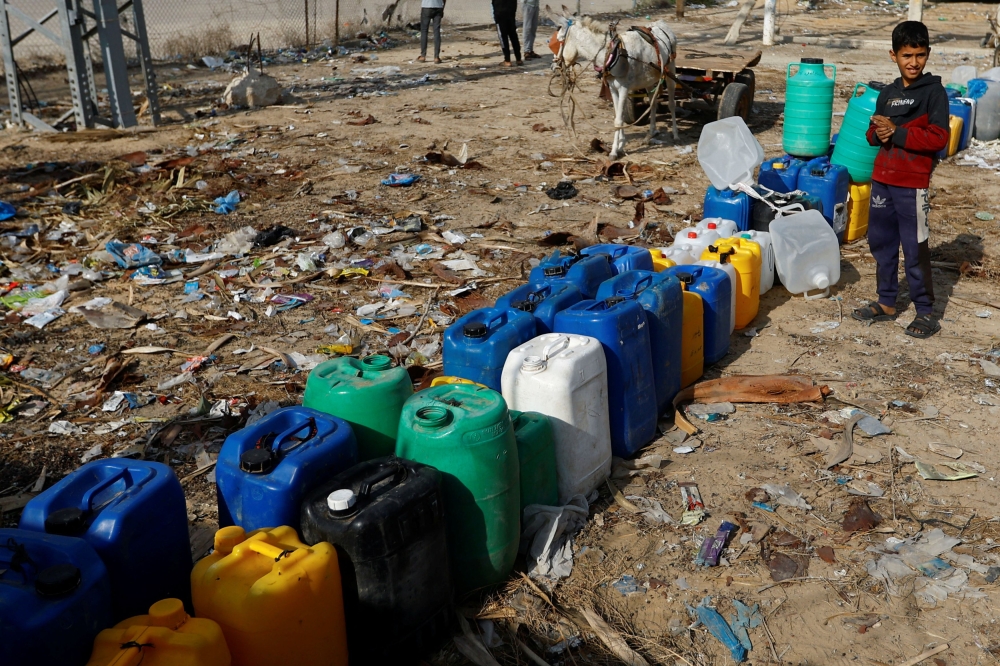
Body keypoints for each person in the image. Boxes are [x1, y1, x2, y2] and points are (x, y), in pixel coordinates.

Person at [852, 20, 949, 339]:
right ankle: (887, 303)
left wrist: (898, 132)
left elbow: (938, 138)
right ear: (893, 55)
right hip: (882, 180)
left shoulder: (934, 92)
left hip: (913, 183)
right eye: (907, 55)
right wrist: (879, 132)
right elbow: (871, 134)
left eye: (920, 55)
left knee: (915, 247)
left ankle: (925, 312)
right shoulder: (888, 94)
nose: (914, 62)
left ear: (928, 54)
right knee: (881, 244)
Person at [493, 0, 522, 66]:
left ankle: (507, 60)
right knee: (513, 35)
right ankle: (518, 58)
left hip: (500, 12)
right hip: (511, 11)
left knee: (503, 37)